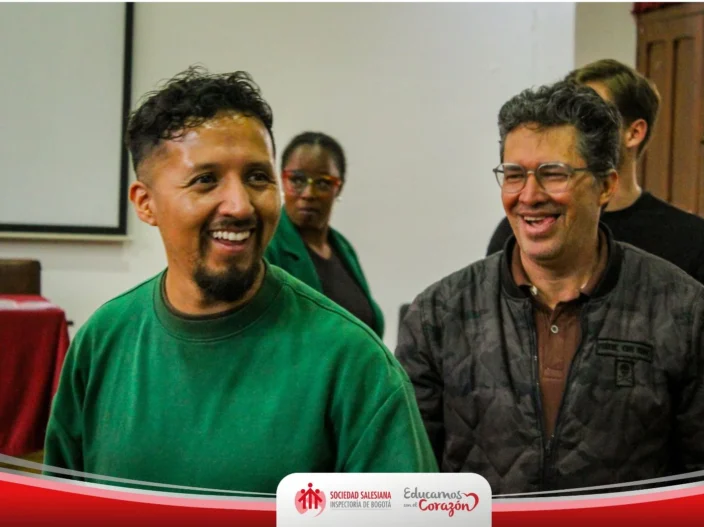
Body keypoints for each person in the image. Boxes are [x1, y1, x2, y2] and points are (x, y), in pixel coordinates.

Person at [43, 67, 437, 494]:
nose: (241, 205)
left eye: (257, 177)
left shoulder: (355, 363)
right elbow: (59, 503)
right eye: (205, 180)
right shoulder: (103, 341)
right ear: (145, 203)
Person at [396, 80, 704, 494]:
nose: (529, 195)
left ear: (606, 185)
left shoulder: (679, 307)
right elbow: (406, 479)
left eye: (553, 174)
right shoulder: (439, 314)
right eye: (514, 175)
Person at [485, 59, 704, 418]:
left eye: (593, 112)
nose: (576, 123)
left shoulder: (688, 238)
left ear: (634, 132)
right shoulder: (521, 233)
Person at [264, 132, 384, 337]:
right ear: (282, 180)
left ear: (339, 188)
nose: (308, 194)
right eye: (297, 179)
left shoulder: (343, 247)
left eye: (322, 183)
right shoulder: (268, 245)